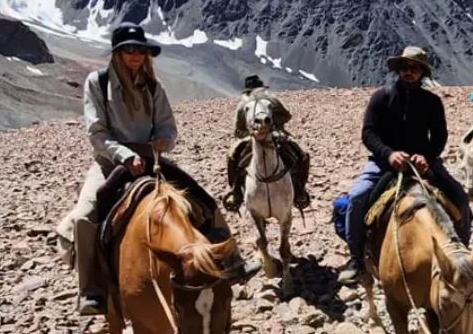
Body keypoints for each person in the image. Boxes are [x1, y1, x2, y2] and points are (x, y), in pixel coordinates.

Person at [56, 23, 231, 316]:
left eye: (141, 50)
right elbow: (97, 133)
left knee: (202, 197)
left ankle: (227, 259)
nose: (136, 55)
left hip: (152, 159)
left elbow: (168, 126)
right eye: (129, 50)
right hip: (110, 162)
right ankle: (91, 290)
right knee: (86, 216)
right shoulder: (97, 83)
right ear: (117, 53)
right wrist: (124, 155)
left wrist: (164, 140)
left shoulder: (153, 85)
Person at [338, 46, 472, 284]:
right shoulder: (381, 97)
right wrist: (389, 154)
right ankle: (357, 259)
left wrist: (427, 157)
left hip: (422, 164)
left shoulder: (432, 102)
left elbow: (439, 136)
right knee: (357, 198)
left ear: (422, 73)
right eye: (405, 67)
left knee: (459, 197)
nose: (408, 72)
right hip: (384, 163)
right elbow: (369, 133)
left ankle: (461, 255)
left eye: (414, 68)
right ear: (398, 70)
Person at [224, 74, 311, 212]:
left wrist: (259, 130)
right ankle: (300, 190)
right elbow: (287, 115)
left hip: (262, 135)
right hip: (267, 135)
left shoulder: (248, 103)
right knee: (302, 154)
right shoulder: (267, 100)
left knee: (232, 156)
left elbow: (237, 130)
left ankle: (235, 192)